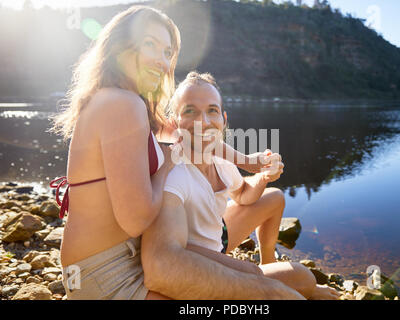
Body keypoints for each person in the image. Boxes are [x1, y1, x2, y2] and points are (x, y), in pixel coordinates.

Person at [49, 5, 272, 300]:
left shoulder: (130, 103)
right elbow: (137, 220)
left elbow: (197, 137)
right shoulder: (123, 104)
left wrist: (247, 161)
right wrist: (166, 167)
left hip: (116, 261)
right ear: (119, 47)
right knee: (240, 295)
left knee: (250, 279)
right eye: (150, 45)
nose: (162, 60)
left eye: (168, 52)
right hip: (107, 274)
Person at [140, 72, 340, 300]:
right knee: (304, 279)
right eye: (190, 111)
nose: (203, 122)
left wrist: (263, 178)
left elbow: (244, 195)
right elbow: (170, 255)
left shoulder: (221, 160)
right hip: (198, 261)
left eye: (212, 111)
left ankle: (268, 262)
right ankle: (269, 274)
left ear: (223, 119)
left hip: (219, 238)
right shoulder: (174, 174)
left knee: (275, 197)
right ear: (175, 124)